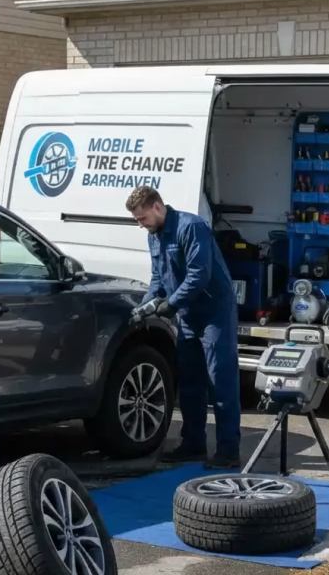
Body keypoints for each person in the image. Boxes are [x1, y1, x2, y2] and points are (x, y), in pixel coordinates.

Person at [125, 185, 241, 469]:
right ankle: (193, 444)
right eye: (137, 221)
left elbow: (200, 274)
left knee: (220, 382)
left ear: (157, 207)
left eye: (142, 219)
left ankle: (228, 450)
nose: (141, 225)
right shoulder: (155, 236)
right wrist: (145, 306)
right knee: (190, 382)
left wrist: (170, 305)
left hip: (214, 312)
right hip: (188, 315)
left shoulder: (191, 227)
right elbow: (158, 277)